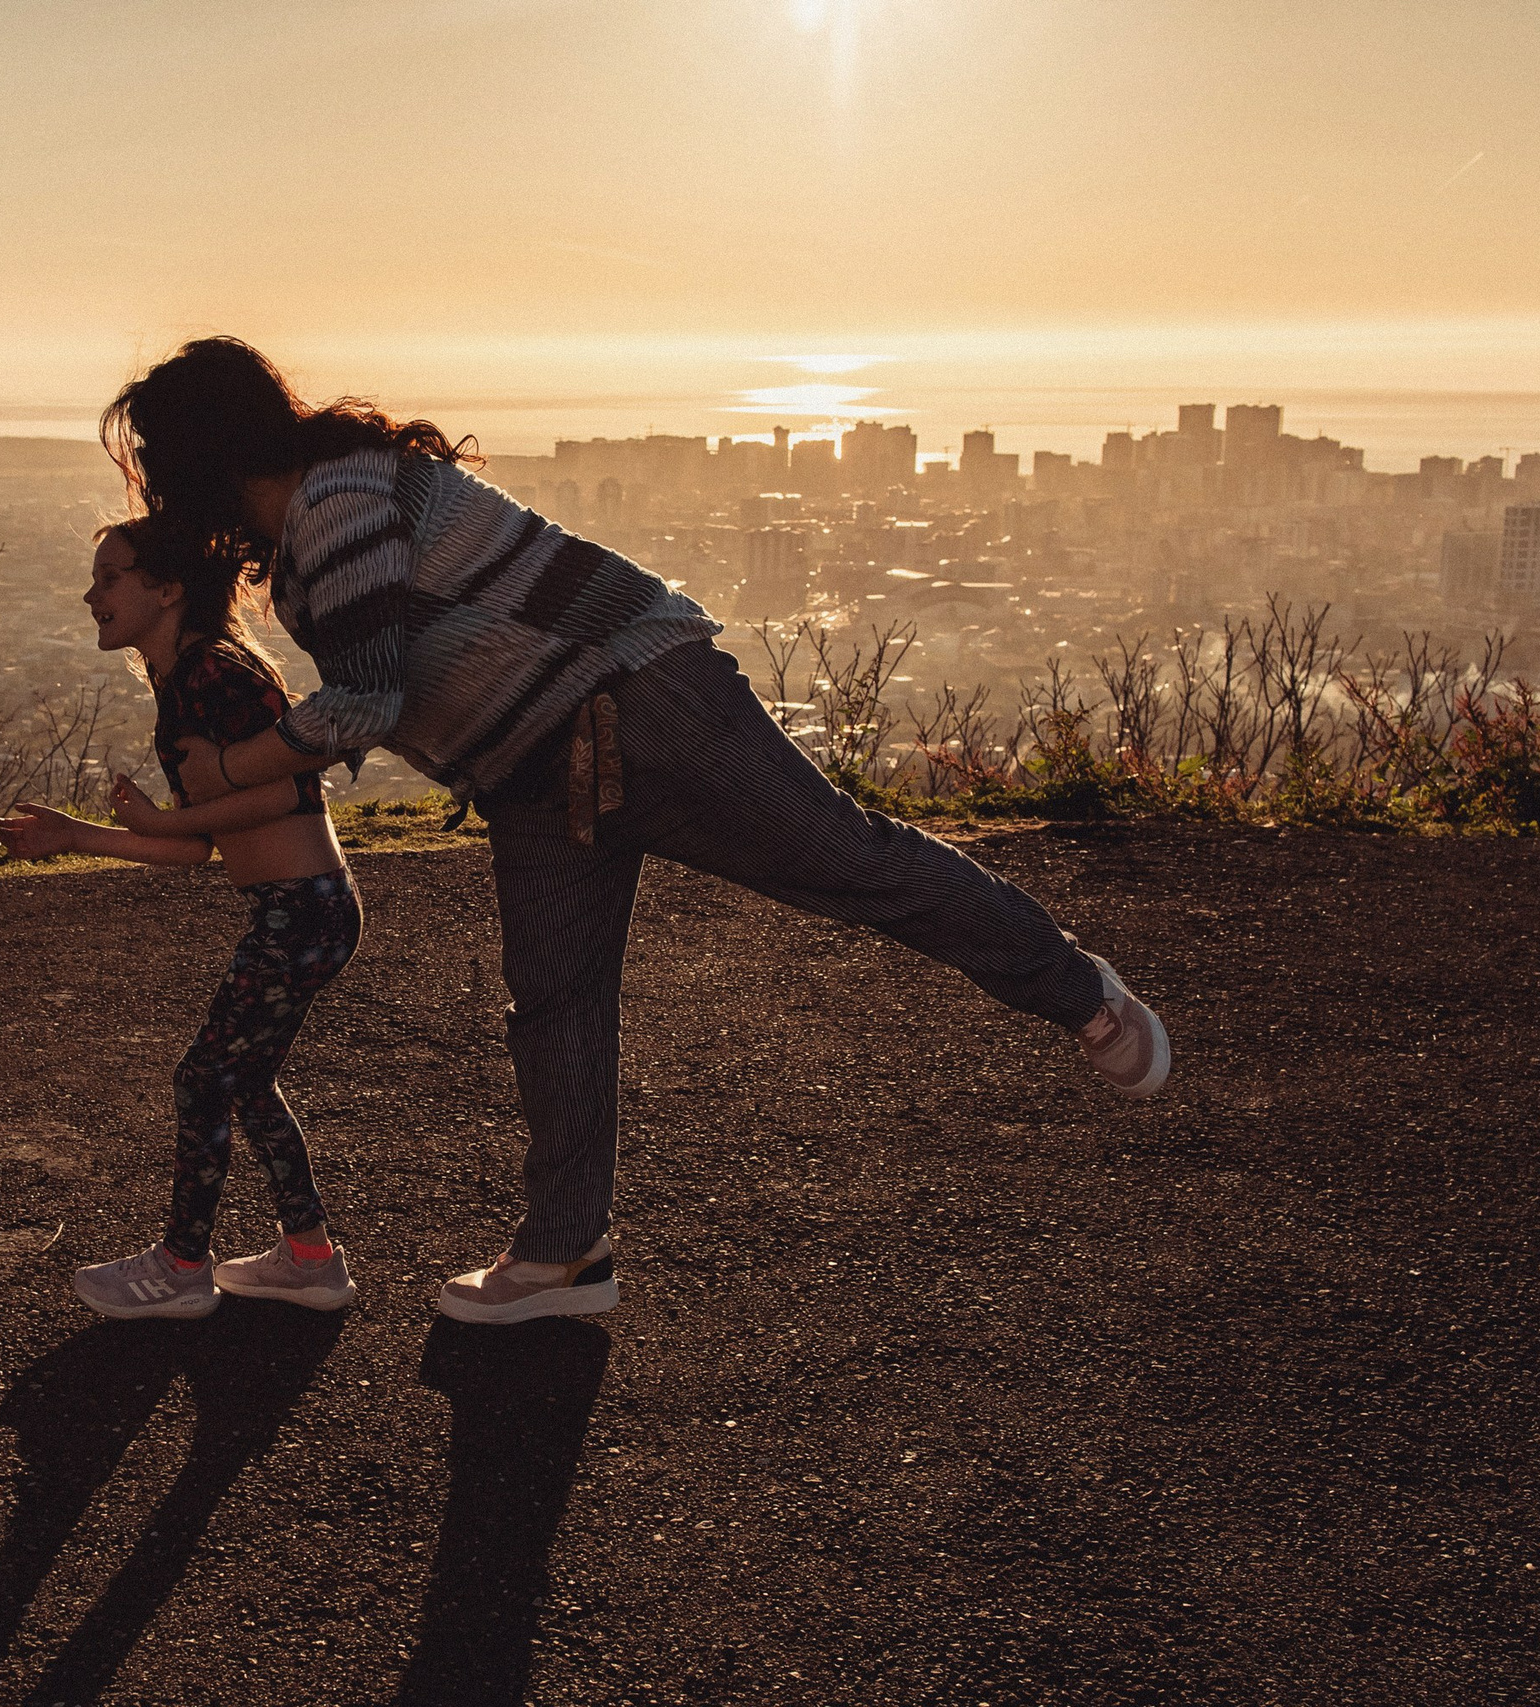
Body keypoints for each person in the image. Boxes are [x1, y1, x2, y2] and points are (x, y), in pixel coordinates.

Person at [99, 337, 1172, 1328]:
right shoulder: (310, 539)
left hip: (640, 701)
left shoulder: (338, 505)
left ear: (197, 452)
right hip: (531, 769)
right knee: (555, 1000)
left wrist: (231, 766)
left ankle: (1079, 993)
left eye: (155, 454)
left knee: (851, 863)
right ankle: (565, 1256)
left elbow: (369, 700)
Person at [0, 518, 363, 1321]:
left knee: (205, 1077)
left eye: (109, 577)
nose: (92, 595)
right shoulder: (188, 677)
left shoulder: (213, 672)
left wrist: (159, 820)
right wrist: (76, 835)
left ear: (166, 590)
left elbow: (288, 789)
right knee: (244, 1079)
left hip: (301, 908)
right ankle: (309, 1258)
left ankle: (183, 1265)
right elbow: (198, 845)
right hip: (302, 907)